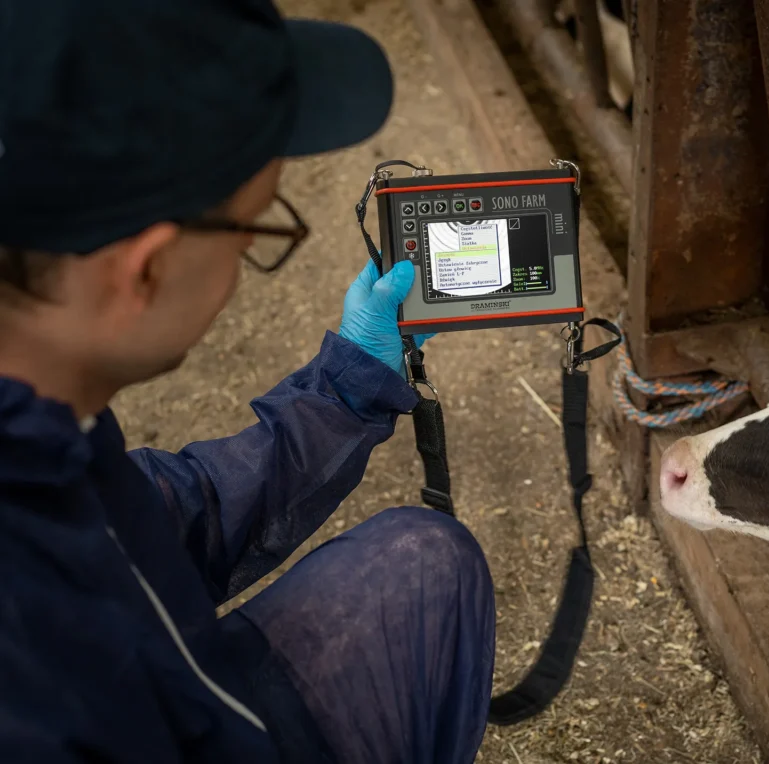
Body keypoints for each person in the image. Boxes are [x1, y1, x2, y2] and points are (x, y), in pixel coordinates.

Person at [0, 1, 497, 762]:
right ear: (146, 269)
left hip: (182, 698)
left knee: (426, 560)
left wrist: (348, 388)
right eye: (254, 227)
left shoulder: (44, 425)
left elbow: (164, 525)